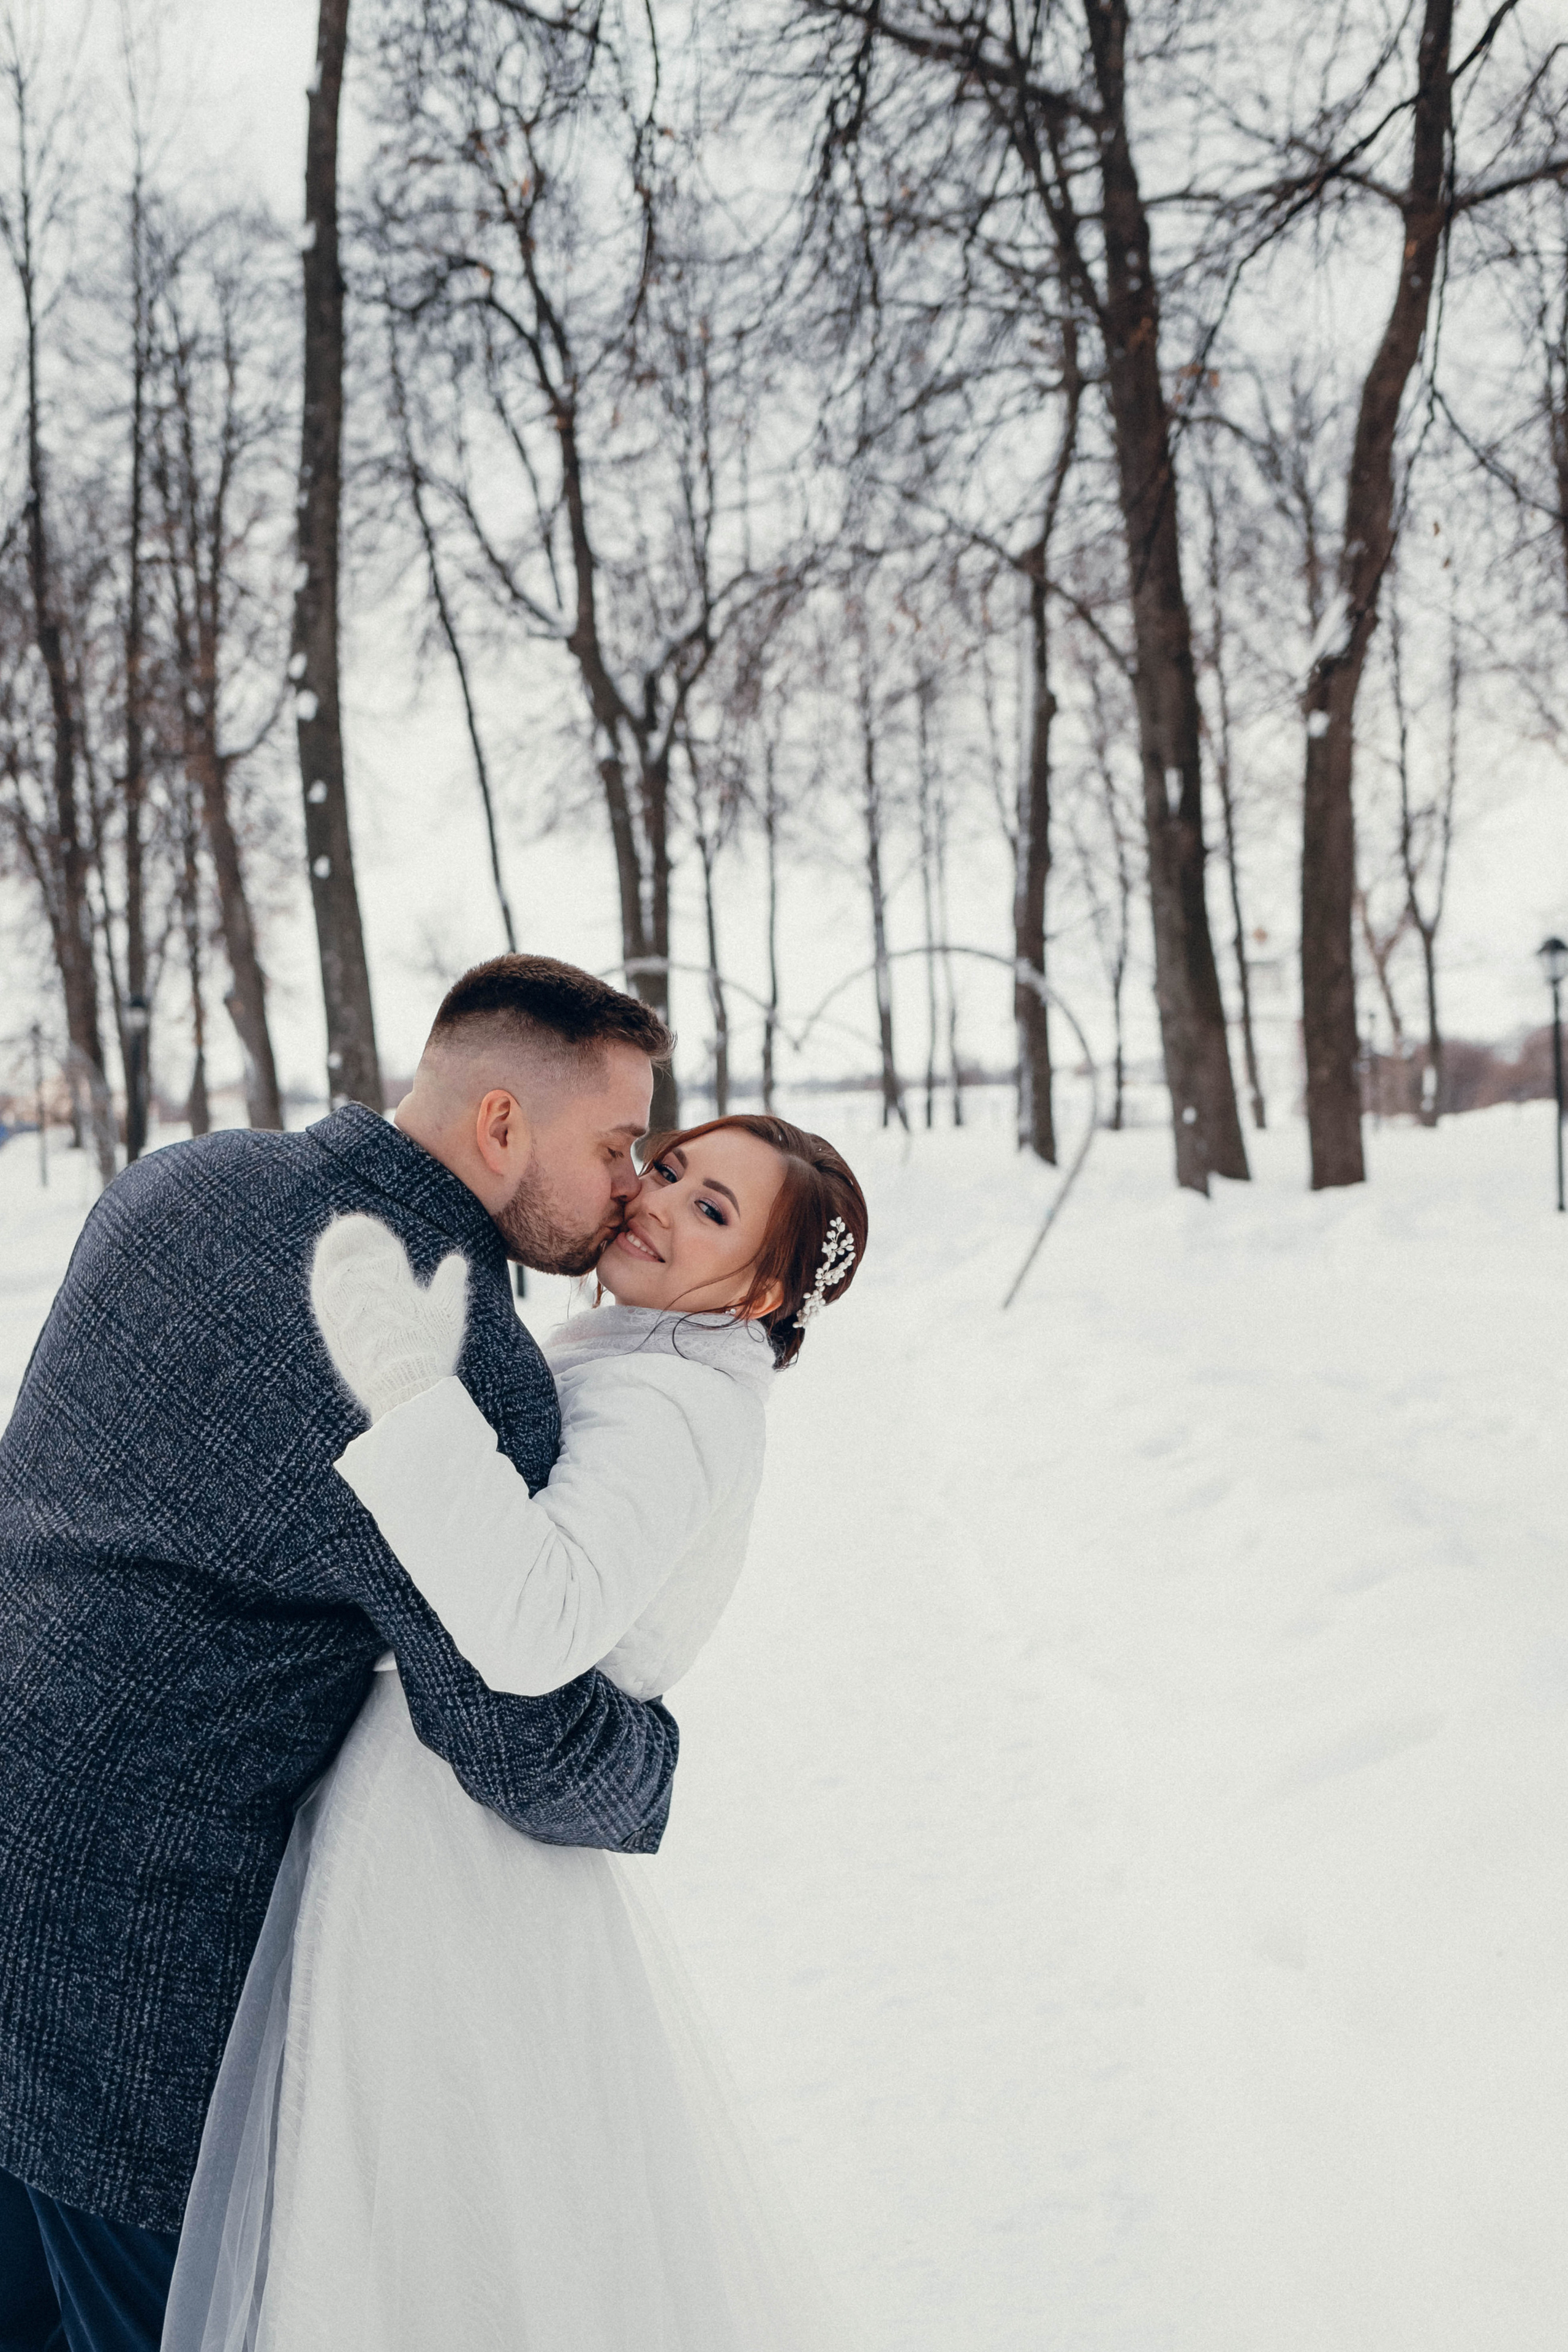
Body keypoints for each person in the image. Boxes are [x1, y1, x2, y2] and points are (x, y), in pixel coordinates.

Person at [0, 957, 684, 2352]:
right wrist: (656, 1755)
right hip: (130, 1986)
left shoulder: (175, 1179)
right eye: (612, 1146)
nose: (631, 1186)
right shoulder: (447, 1352)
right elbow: (518, 1743)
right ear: (501, 1124)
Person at [162, 1110, 868, 2351]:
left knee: (407, 2231)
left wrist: (411, 1401)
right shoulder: (651, 1363)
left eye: (711, 1211)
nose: (656, 1200)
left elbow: (535, 1623)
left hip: (451, 1857)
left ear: (759, 1288)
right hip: (459, 1836)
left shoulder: (673, 1404)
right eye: (669, 1169)